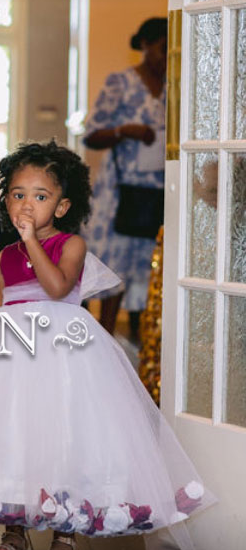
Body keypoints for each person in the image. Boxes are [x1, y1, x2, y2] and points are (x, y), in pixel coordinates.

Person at [0, 140, 213, 550]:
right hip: (13, 359)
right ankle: (14, 530)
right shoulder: (4, 257)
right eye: (18, 194)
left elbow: (57, 288)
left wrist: (31, 242)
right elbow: (3, 307)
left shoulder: (70, 245)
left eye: (40, 197)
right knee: (12, 435)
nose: (26, 204)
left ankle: (65, 530)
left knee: (64, 438)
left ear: (61, 207)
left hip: (62, 357)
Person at [83, 18, 167, 336]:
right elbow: (91, 135)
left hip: (159, 191)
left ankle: (143, 347)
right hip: (121, 193)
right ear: (146, 45)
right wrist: (124, 131)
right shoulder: (121, 82)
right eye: (162, 49)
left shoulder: (177, 86)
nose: (166, 57)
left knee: (150, 269)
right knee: (115, 268)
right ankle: (104, 340)